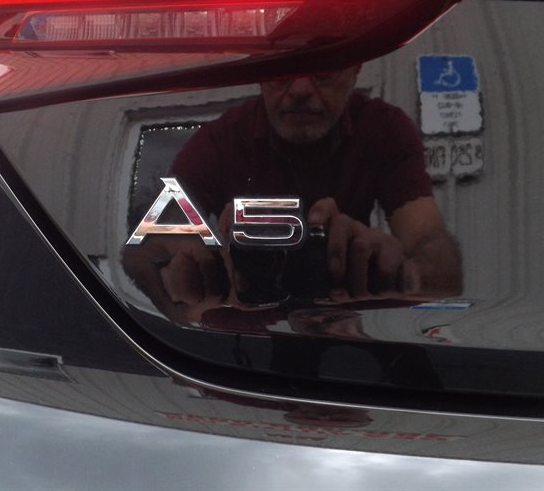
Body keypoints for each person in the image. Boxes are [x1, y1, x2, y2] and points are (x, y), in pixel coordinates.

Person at [124, 64, 462, 325]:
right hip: (295, 338)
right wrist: (192, 273)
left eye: (324, 68)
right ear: (259, 75)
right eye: (280, 69)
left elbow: (437, 258)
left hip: (262, 346)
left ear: (356, 67)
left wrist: (392, 269)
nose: (300, 89)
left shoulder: (381, 129)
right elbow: (142, 255)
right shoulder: (222, 140)